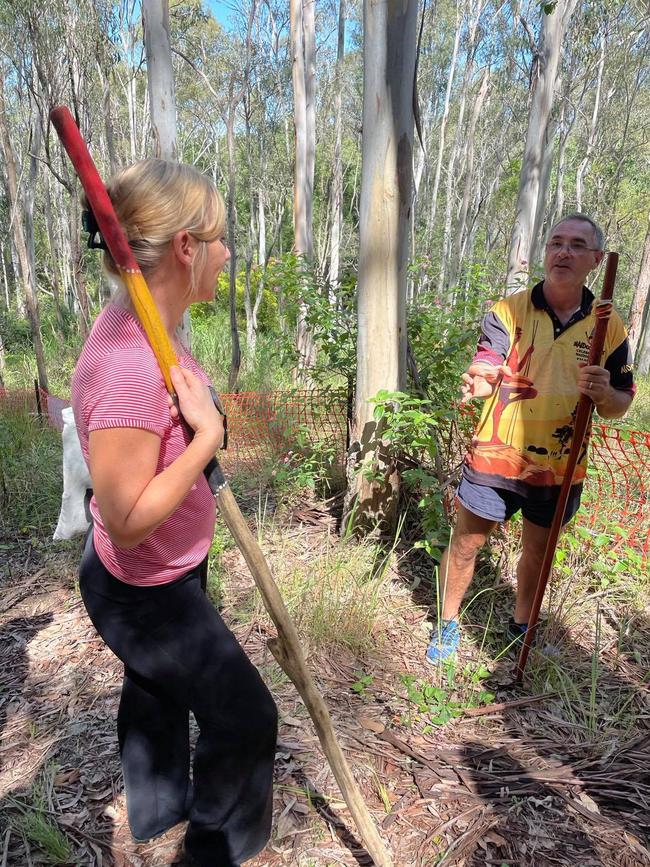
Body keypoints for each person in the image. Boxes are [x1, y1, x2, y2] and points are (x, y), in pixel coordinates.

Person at [71, 159, 278, 866]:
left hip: (167, 568)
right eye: (219, 239)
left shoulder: (158, 323)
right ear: (186, 247)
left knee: (157, 685)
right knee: (248, 716)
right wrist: (210, 440)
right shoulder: (127, 360)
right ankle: (212, 851)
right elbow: (126, 515)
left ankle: (157, 810)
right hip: (141, 588)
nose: (227, 253)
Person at [426, 214, 635, 663]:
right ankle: (447, 624)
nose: (564, 252)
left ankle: (521, 627)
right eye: (556, 242)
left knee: (538, 554)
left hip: (560, 465)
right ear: (545, 252)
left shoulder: (609, 326)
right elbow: (487, 363)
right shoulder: (509, 310)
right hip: (494, 460)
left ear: (596, 260)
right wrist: (478, 382)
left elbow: (621, 402)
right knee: (467, 541)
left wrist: (604, 393)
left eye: (577, 245)